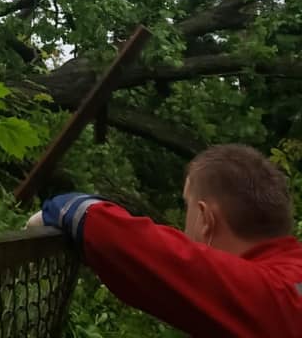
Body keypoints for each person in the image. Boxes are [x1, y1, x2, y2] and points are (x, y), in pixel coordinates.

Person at [27, 144, 302, 337]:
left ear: (205, 219)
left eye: (187, 206)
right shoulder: (290, 278)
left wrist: (62, 209)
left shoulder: (274, 298)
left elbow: (131, 244)